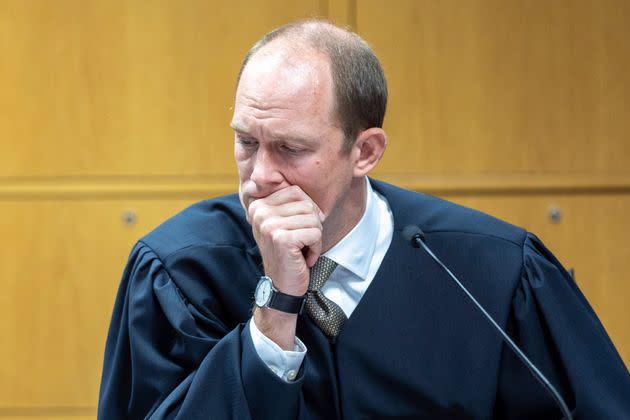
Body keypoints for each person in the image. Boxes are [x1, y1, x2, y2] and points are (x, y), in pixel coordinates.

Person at [98, 19, 630, 419]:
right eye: (246, 142)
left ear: (365, 151)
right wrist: (276, 312)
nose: (259, 176)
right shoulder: (178, 271)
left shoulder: (493, 272)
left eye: (289, 148)